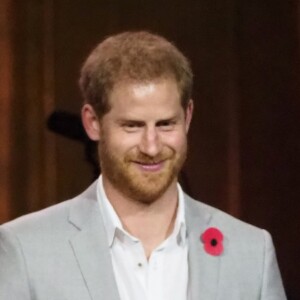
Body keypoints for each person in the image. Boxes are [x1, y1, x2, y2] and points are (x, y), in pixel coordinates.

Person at [0, 31, 286, 300]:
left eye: (165, 124)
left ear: (187, 117)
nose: (151, 146)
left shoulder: (251, 252)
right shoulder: (25, 249)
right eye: (132, 126)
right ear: (92, 122)